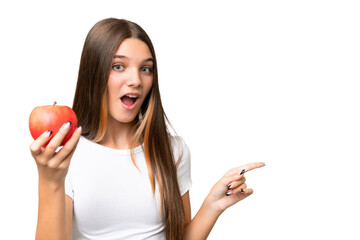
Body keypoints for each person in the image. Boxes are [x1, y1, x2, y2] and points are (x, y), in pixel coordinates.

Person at [30, 18, 265, 240]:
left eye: (146, 69)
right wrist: (50, 180)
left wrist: (214, 205)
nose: (136, 80)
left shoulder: (173, 150)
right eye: (118, 66)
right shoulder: (66, 154)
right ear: (94, 73)